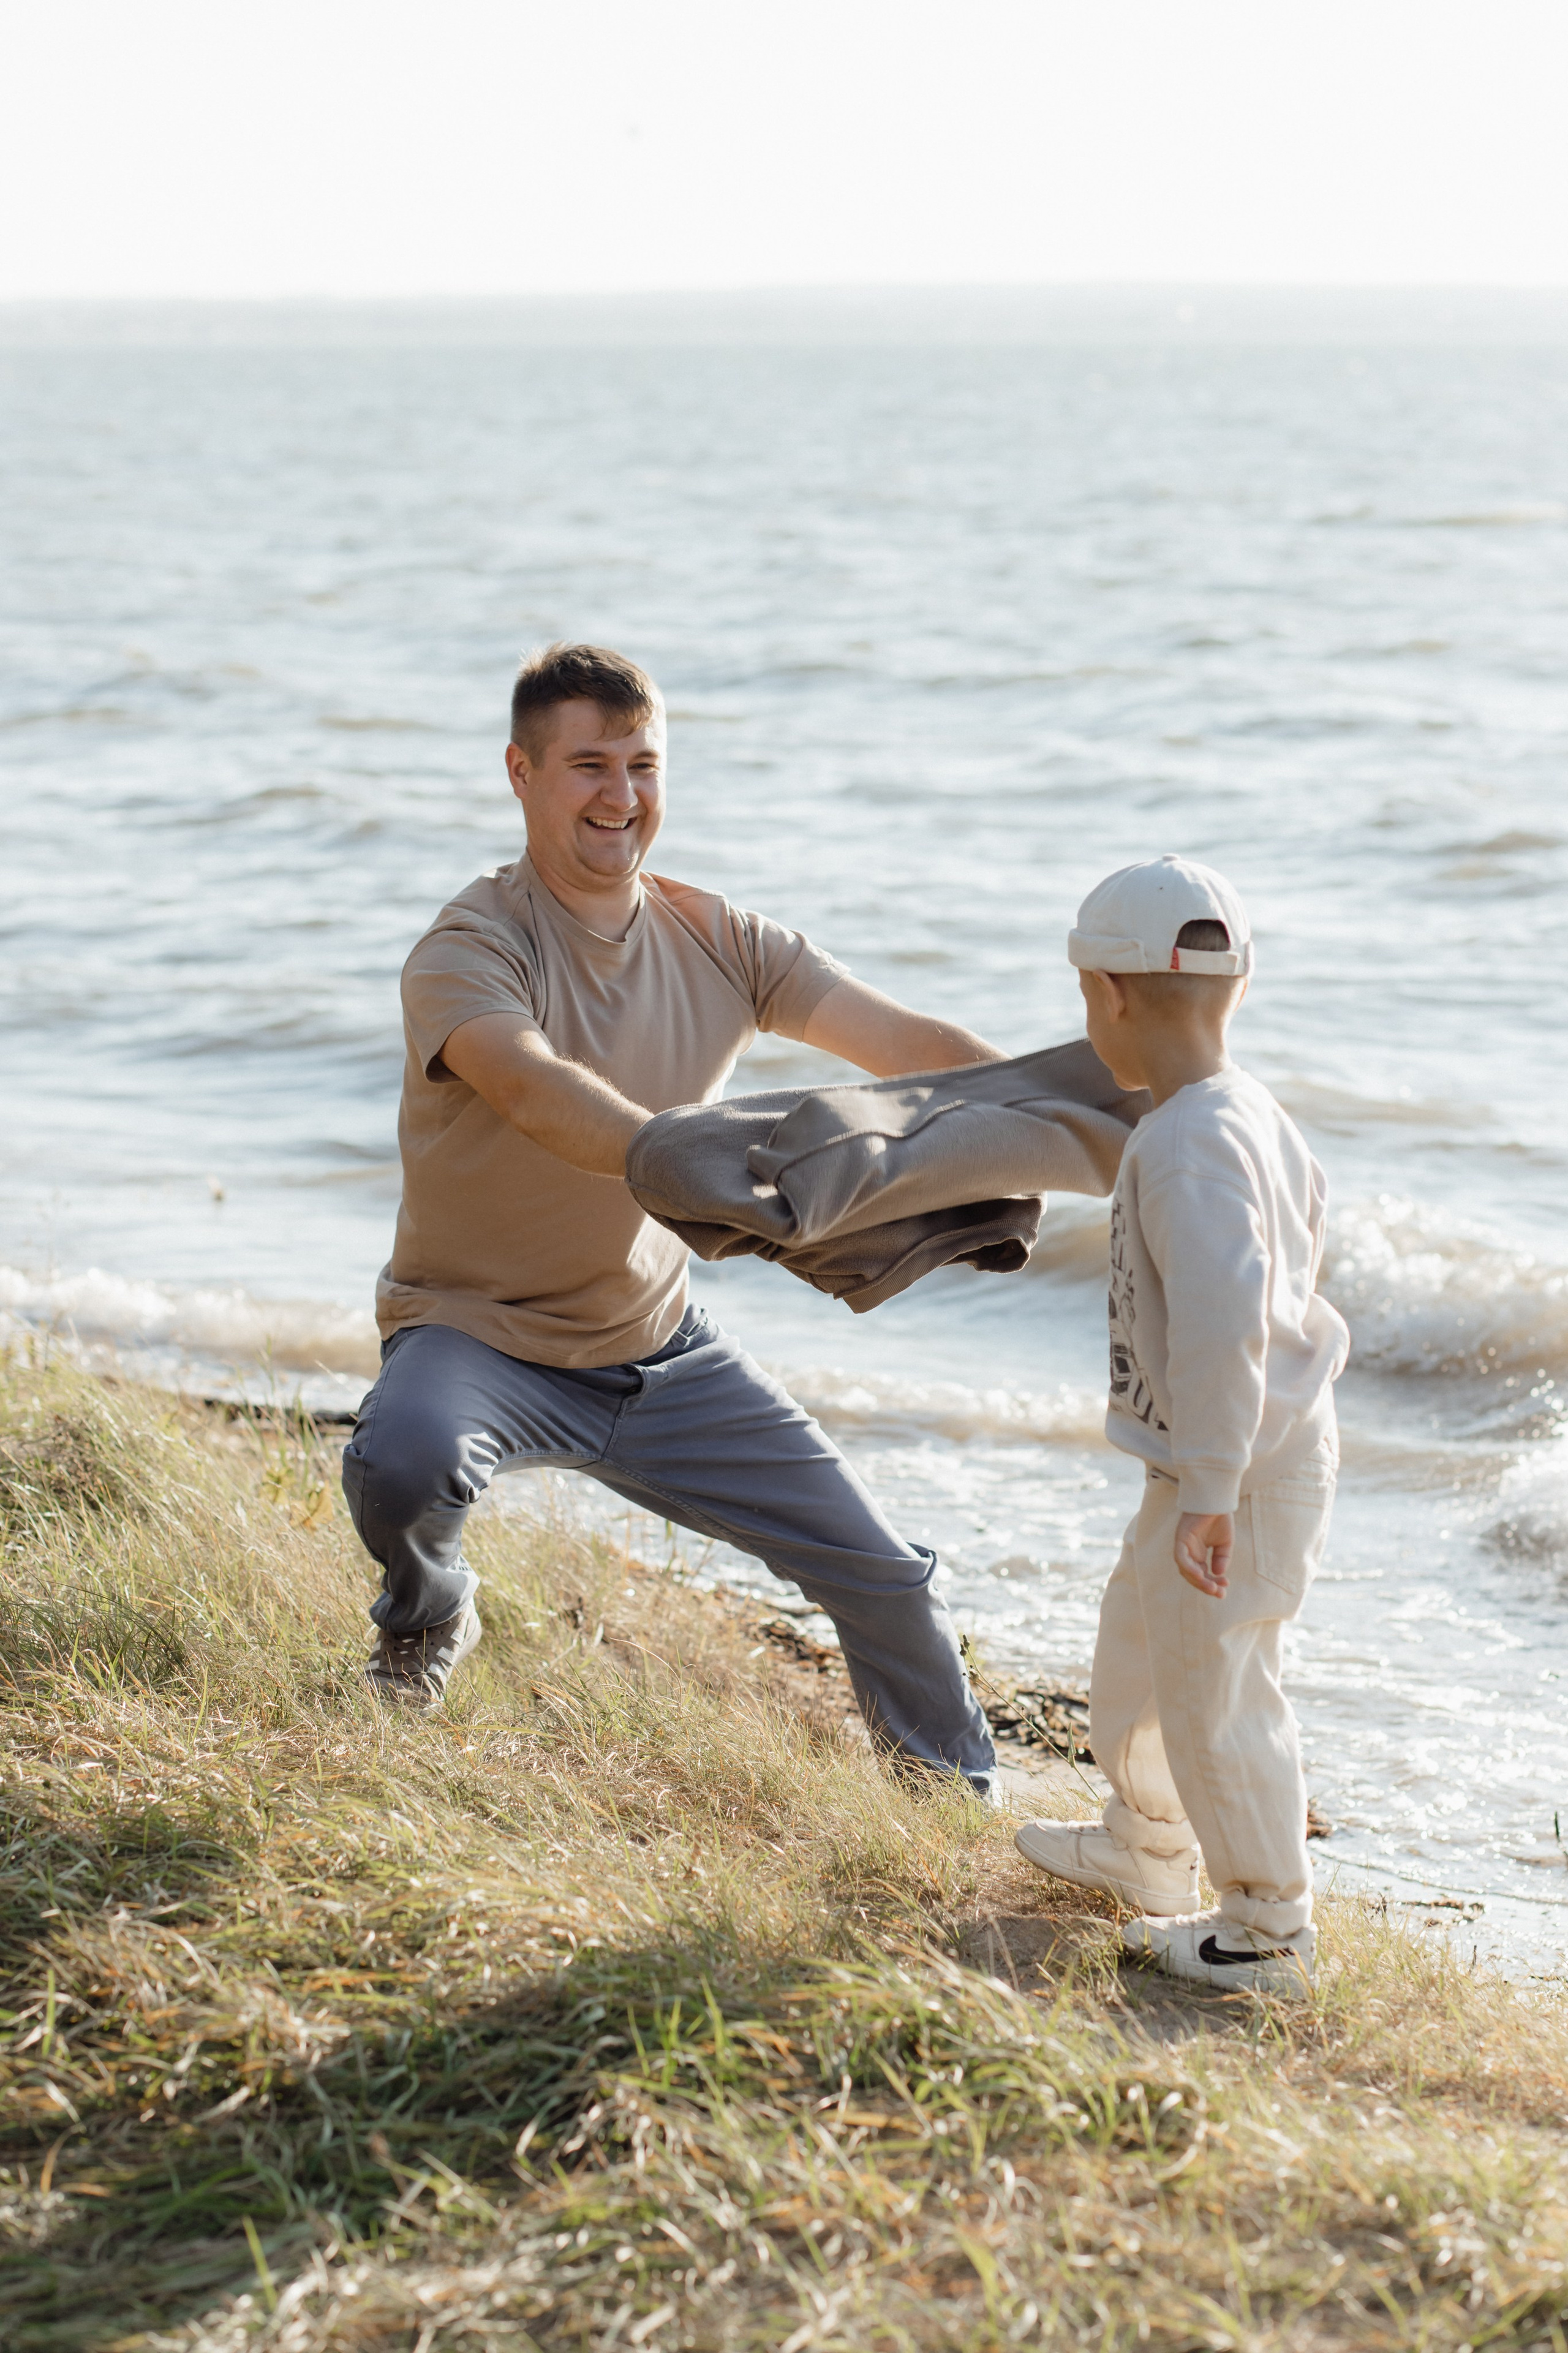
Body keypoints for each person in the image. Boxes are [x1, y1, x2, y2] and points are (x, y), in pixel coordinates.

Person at [342, 641, 1001, 1795]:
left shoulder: (722, 938)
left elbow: (908, 1047)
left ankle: (953, 1798)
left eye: (644, 764)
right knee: (405, 1464)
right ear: (520, 772)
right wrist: (689, 1155)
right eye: (589, 765)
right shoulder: (470, 945)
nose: (622, 796)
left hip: (658, 1354)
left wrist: (1111, 1111)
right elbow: (536, 1087)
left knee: (886, 1575)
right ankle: (432, 1614)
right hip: (474, 1335)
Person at [1014, 856, 1349, 1992]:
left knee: (1219, 1688)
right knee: (1144, 1651)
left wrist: (1210, 1484)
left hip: (1238, 1468)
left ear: (1104, 995)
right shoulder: (1242, 1113)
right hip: (1220, 1460)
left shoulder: (1189, 1141)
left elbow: (1224, 1319)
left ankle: (1267, 1926)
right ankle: (1148, 1845)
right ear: (1237, 989)